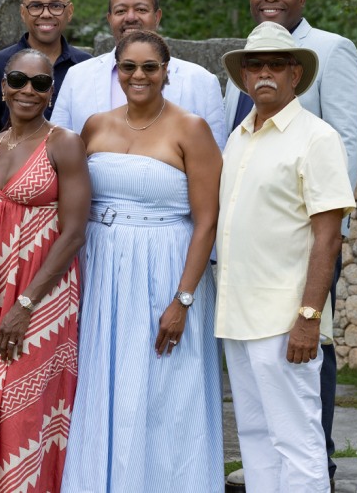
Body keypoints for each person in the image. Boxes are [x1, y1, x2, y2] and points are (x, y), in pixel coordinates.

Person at [222, 0, 357, 485]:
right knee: (257, 436)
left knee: (298, 435)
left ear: (295, 72)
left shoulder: (316, 130)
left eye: (276, 65)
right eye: (255, 67)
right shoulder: (240, 135)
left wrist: (310, 310)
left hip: (289, 299)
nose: (264, 73)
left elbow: (330, 214)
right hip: (241, 306)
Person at [61, 30, 224, 492]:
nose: (139, 75)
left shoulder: (191, 128)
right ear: (117, 71)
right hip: (102, 269)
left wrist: (183, 298)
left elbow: (207, 220)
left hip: (165, 266)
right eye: (129, 67)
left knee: (165, 390)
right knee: (101, 382)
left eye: (150, 67)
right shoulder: (95, 125)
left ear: (166, 72)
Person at [0, 49, 91, 492]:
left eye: (41, 83)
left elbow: (73, 233)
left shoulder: (64, 144)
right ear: (3, 87)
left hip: (44, 294)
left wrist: (27, 302)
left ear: (51, 93)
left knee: (27, 403)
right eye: (19, 79)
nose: (29, 89)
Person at [51, 0, 226, 149]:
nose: (131, 17)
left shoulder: (201, 81)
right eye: (120, 11)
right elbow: (55, 148)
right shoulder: (77, 77)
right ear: (109, 19)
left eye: (141, 9)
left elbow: (216, 157)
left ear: (157, 17)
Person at [0, 0, 92, 189]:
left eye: (55, 6)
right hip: (9, 191)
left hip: (75, 189)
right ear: (23, 12)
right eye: (36, 6)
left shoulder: (86, 68)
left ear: (69, 12)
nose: (46, 14)